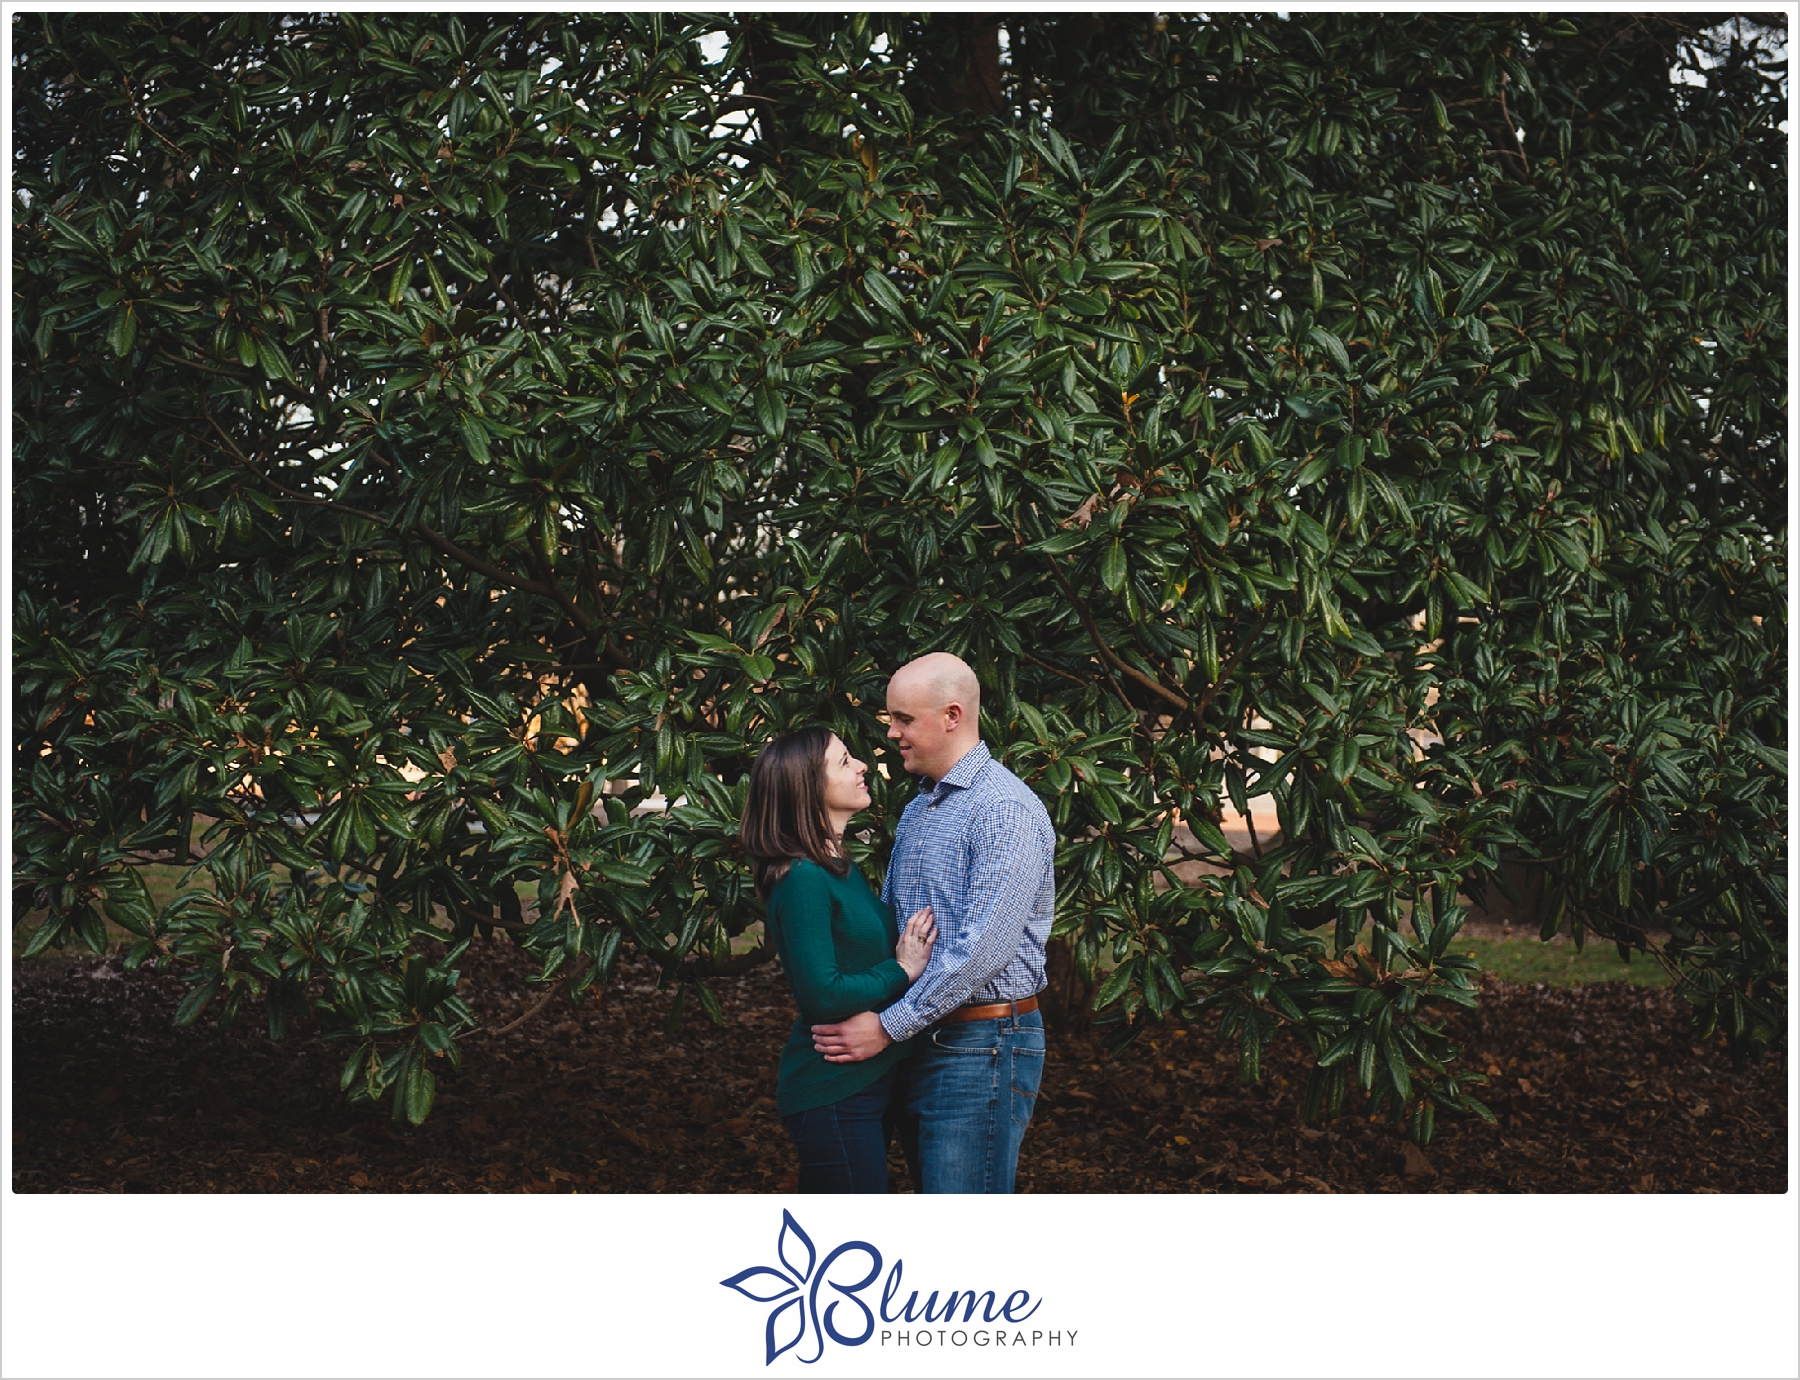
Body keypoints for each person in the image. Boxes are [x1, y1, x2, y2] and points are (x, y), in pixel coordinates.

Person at [810, 652, 1055, 1193]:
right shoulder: (924, 804)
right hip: (925, 1034)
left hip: (983, 1040)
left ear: (951, 715)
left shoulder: (1002, 809)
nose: (891, 734)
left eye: (903, 720)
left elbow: (983, 951)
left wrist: (888, 1025)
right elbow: (896, 926)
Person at [740, 725, 937, 1193]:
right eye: (845, 761)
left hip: (871, 1077)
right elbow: (823, 994)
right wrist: (902, 969)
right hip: (833, 1087)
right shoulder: (804, 878)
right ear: (808, 786)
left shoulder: (838, 867)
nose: (863, 765)